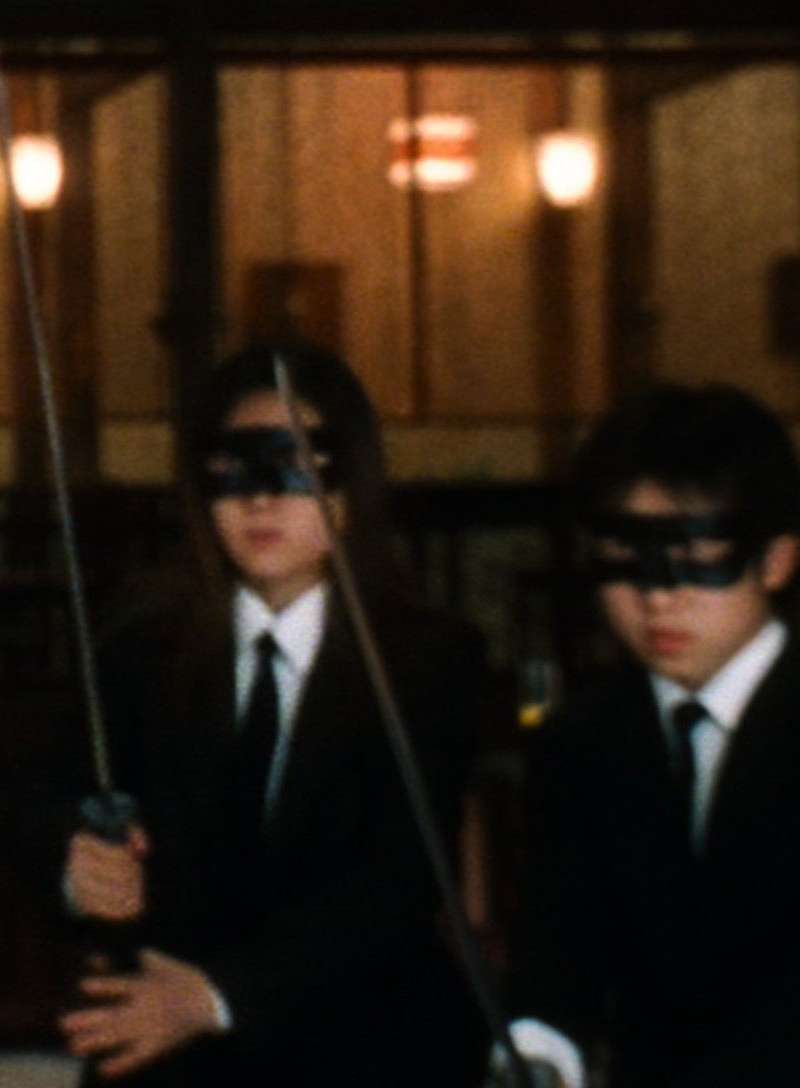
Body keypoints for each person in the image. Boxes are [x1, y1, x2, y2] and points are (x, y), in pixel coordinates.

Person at [58, 342, 487, 1087]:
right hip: (171, 1054)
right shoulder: (137, 644)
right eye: (233, 471)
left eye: (293, 468)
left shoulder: (430, 661)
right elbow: (45, 794)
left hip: (366, 1045)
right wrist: (77, 868)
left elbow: (398, 883)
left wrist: (216, 996)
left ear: (352, 480)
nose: (260, 502)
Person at [505, 383, 800, 1088]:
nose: (657, 594)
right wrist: (538, 1053)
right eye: (624, 557)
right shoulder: (582, 739)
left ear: (777, 558)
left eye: (696, 555)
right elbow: (556, 957)